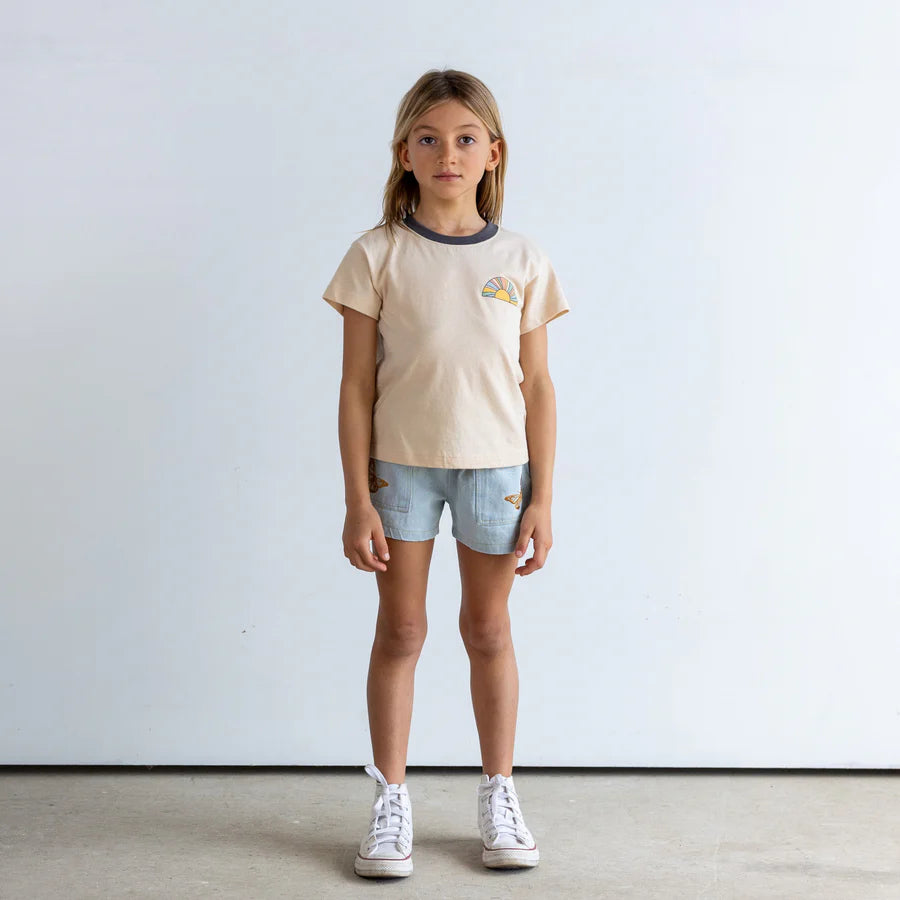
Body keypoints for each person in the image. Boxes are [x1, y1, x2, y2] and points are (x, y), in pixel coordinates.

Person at [321, 67, 571, 879]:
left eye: (465, 139)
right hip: (399, 470)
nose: (447, 154)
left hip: (496, 469)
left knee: (488, 631)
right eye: (428, 139)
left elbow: (538, 385)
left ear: (494, 152)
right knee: (401, 631)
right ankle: (390, 799)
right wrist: (356, 499)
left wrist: (543, 497)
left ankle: (499, 792)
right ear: (404, 153)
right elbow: (355, 386)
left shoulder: (521, 258)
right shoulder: (377, 255)